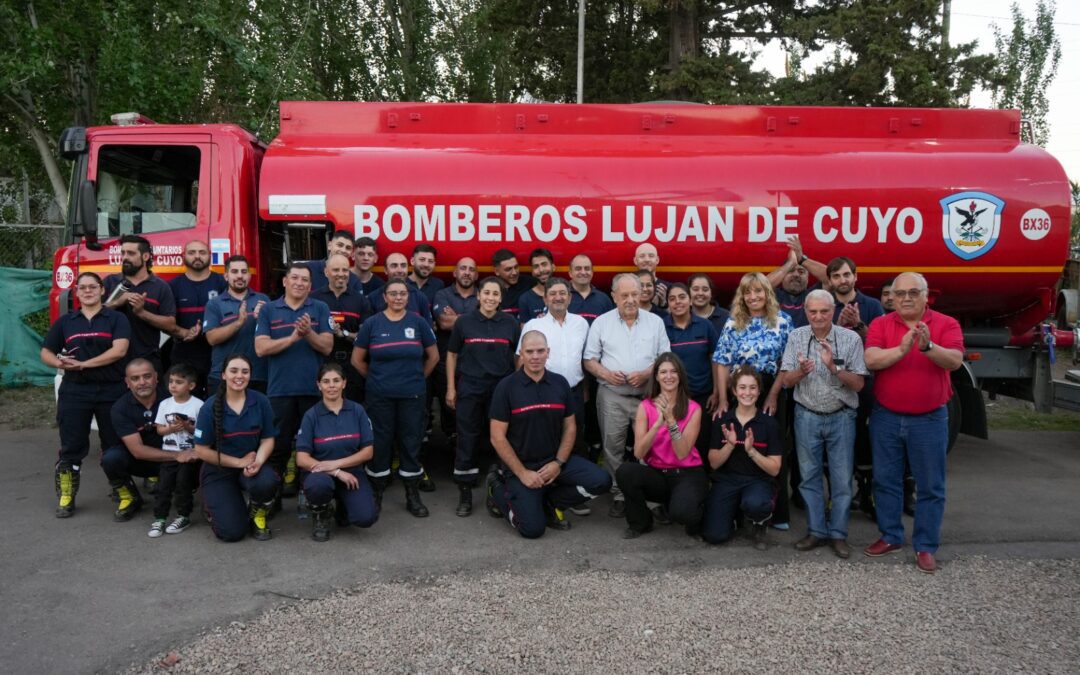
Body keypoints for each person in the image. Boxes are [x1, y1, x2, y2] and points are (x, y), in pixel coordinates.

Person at [863, 272, 964, 574]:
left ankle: (925, 546)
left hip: (929, 419)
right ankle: (891, 535)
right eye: (900, 293)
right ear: (891, 297)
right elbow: (871, 360)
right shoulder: (881, 324)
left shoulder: (946, 324)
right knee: (886, 480)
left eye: (913, 292)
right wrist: (903, 349)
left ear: (925, 295)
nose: (906, 298)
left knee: (931, 485)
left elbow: (955, 361)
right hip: (887, 417)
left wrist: (928, 347)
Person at [486, 331, 612, 537]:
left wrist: (558, 463)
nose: (535, 356)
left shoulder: (560, 383)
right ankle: (496, 490)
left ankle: (552, 502)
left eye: (540, 351)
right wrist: (522, 473)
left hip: (554, 462)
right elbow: (497, 437)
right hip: (521, 466)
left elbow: (570, 427)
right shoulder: (506, 387)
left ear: (548, 353)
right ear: (521, 354)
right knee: (532, 529)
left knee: (601, 480)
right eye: (529, 351)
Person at [780, 290, 867, 559]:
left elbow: (859, 384)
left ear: (833, 311)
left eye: (824, 311)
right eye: (813, 311)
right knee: (808, 478)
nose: (818, 317)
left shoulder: (849, 338)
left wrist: (834, 368)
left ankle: (838, 534)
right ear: (805, 312)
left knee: (841, 480)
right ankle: (816, 530)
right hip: (806, 416)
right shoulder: (796, 337)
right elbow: (785, 381)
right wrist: (799, 372)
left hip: (841, 417)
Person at [41, 272, 130, 518]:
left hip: (111, 389)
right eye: (82, 288)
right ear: (77, 293)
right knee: (72, 446)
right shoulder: (66, 322)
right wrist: (59, 361)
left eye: (93, 287)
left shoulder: (117, 318)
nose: (88, 291)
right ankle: (67, 496)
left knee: (114, 444)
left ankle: (124, 492)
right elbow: (46, 352)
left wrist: (83, 364)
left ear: (102, 290)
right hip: (75, 390)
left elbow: (119, 351)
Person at [583, 273, 670, 517]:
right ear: (614, 297)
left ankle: (652, 498)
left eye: (635, 294)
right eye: (625, 295)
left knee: (651, 447)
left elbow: (665, 358)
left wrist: (646, 373)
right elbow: (589, 359)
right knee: (613, 448)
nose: (631, 300)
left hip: (647, 396)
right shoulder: (601, 323)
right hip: (613, 395)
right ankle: (620, 493)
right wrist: (606, 374)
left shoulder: (655, 322)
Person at [711, 271, 793, 528]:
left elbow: (786, 363)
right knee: (736, 443)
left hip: (770, 387)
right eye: (748, 291)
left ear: (767, 293)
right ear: (742, 296)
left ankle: (775, 512)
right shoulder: (733, 321)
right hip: (740, 388)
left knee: (774, 445)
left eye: (758, 291)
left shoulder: (782, 321)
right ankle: (736, 508)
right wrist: (725, 398)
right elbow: (722, 361)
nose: (753, 296)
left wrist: (773, 394)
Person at [352, 279, 439, 517]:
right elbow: (357, 360)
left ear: (408, 297)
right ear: (385, 297)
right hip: (380, 396)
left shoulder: (418, 322)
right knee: (380, 443)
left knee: (411, 443)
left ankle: (412, 495)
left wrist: (417, 379)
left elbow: (433, 356)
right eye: (394, 294)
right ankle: (376, 494)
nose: (398, 297)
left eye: (403, 294)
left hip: (412, 395)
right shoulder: (372, 324)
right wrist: (376, 380)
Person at [254, 262, 334, 497]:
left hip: (313, 391)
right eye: (295, 278)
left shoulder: (320, 308)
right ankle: (272, 496)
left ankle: (310, 495)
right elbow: (260, 348)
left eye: (305, 280)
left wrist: (308, 333)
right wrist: (291, 338)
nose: (300, 283)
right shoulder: (269, 309)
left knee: (315, 446)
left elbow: (327, 347)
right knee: (278, 447)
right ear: (285, 281)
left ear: (311, 285)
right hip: (280, 391)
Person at [446, 276, 520, 516]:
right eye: (486, 293)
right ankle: (465, 492)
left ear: (501, 298)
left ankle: (501, 489)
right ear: (479, 296)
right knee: (467, 436)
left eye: (495, 294)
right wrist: (451, 387)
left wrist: (516, 386)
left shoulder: (510, 323)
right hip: (470, 386)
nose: (490, 298)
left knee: (503, 438)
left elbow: (519, 357)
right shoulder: (464, 322)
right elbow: (452, 355)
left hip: (501, 388)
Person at [616, 353, 708, 539]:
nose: (669, 376)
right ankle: (641, 523)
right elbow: (639, 452)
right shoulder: (645, 406)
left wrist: (671, 421)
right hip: (658, 473)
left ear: (680, 375)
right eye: (663, 372)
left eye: (674, 371)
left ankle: (697, 510)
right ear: (656, 376)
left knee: (682, 514)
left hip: (687, 474)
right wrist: (657, 424)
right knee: (625, 472)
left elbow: (682, 453)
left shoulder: (693, 408)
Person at [193, 354, 279, 542]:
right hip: (219, 470)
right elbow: (201, 450)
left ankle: (257, 512)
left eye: (245, 371)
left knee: (267, 481)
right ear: (223, 374)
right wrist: (238, 462)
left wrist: (258, 462)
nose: (239, 376)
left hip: (251, 464)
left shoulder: (261, 401)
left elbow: (267, 439)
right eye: (233, 371)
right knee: (232, 533)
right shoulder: (209, 407)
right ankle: (213, 504)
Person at [295, 362, 379, 542]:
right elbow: (301, 459)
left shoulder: (357, 411)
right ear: (319, 385)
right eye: (326, 381)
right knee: (318, 486)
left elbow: (368, 452)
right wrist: (336, 471)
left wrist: (338, 465)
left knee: (366, 518)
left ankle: (343, 505)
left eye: (336, 380)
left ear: (344, 383)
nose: (331, 386)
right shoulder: (311, 415)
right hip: (319, 474)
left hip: (352, 473)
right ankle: (321, 514)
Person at [702, 366, 783, 550]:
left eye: (753, 388)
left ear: (759, 390)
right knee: (714, 536)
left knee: (755, 503)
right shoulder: (722, 420)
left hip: (758, 481)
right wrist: (729, 445)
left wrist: (752, 451)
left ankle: (760, 521)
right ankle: (736, 516)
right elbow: (714, 462)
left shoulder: (769, 423)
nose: (748, 393)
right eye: (743, 387)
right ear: (734, 391)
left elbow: (775, 468)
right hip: (727, 481)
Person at [100, 359, 180, 522]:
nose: (142, 382)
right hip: (140, 459)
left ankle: (183, 491)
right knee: (110, 458)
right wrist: (178, 456)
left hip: (169, 461)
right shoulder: (120, 408)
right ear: (127, 382)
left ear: (156, 378)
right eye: (135, 379)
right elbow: (137, 450)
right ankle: (129, 498)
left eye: (147, 376)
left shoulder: (175, 399)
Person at [103, 234, 177, 371]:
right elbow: (92, 316)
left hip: (147, 360)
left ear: (145, 256)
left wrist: (142, 313)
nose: (125, 257)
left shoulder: (160, 286)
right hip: (112, 360)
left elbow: (170, 324)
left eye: (131, 253)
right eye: (123, 253)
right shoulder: (109, 282)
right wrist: (116, 302)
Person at [568, 254, 614, 461]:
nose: (583, 272)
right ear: (570, 273)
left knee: (596, 411)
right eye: (578, 268)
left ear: (592, 272)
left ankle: (596, 448)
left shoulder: (603, 299)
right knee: (573, 414)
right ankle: (575, 452)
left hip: (598, 367)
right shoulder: (564, 297)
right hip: (571, 368)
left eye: (587, 268)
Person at [664, 283, 720, 455]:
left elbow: (715, 360)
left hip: (704, 395)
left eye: (682, 297)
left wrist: (716, 391)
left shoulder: (705, 326)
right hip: (675, 396)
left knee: (702, 439)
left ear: (690, 300)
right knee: (676, 439)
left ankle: (702, 477)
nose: (677, 302)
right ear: (668, 304)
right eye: (672, 299)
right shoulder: (662, 327)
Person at [148, 363, 203, 537]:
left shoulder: (198, 405)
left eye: (179, 382)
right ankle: (160, 519)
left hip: (189, 456)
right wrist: (170, 429)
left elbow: (202, 432)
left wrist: (187, 426)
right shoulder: (165, 404)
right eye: (171, 381)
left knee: (183, 484)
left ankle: (183, 516)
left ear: (191, 386)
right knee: (163, 486)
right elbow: (159, 429)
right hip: (169, 454)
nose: (173, 385)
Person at [167, 240, 227, 397]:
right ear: (183, 256)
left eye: (202, 252)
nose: (197, 256)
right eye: (192, 252)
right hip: (184, 354)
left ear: (210, 256)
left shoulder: (221, 283)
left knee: (217, 401)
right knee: (185, 402)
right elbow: (167, 322)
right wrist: (184, 332)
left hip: (216, 353)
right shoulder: (173, 286)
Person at [431, 257, 480, 446]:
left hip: (475, 363)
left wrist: (457, 319)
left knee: (474, 410)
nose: (467, 272)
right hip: (447, 363)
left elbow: (488, 320)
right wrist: (476, 318)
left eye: (471, 269)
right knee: (450, 408)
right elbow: (443, 321)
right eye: (463, 268)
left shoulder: (482, 294)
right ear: (455, 272)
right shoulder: (442, 294)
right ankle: (452, 448)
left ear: (476, 274)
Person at [203, 255, 270, 392]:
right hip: (223, 376)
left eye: (244, 272)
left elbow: (274, 335)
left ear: (249, 276)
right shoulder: (214, 304)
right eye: (235, 272)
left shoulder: (263, 299)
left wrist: (263, 319)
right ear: (226, 276)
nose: (240, 276)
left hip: (257, 375)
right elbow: (212, 338)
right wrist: (239, 323)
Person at [312, 253, 372, 403]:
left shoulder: (361, 301)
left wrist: (344, 333)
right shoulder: (314, 299)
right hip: (322, 364)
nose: (341, 274)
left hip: (352, 365)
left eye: (345, 270)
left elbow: (366, 337)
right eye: (336, 270)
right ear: (326, 272)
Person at [767, 236, 827, 329]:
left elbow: (831, 277)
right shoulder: (774, 295)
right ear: (782, 277)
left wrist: (802, 259)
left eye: (801, 271)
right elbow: (759, 287)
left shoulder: (813, 295)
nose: (796, 275)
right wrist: (791, 263)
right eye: (791, 270)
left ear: (808, 278)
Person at [369, 252, 433, 325]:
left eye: (403, 266)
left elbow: (428, 330)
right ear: (385, 270)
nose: (399, 270)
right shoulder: (373, 298)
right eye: (394, 266)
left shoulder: (420, 297)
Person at [492, 248, 536, 319]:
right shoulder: (490, 289)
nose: (514, 272)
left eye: (516, 267)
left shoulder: (529, 283)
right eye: (508, 269)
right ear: (497, 271)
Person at [516, 248, 555, 323]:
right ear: (532, 271)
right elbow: (525, 330)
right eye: (536, 266)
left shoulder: (565, 294)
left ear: (553, 267)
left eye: (544, 264)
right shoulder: (525, 299)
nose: (541, 270)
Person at [632, 243, 670, 308]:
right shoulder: (627, 286)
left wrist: (664, 305)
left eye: (651, 256)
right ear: (635, 260)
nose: (647, 259)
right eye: (642, 256)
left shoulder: (668, 288)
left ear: (657, 260)